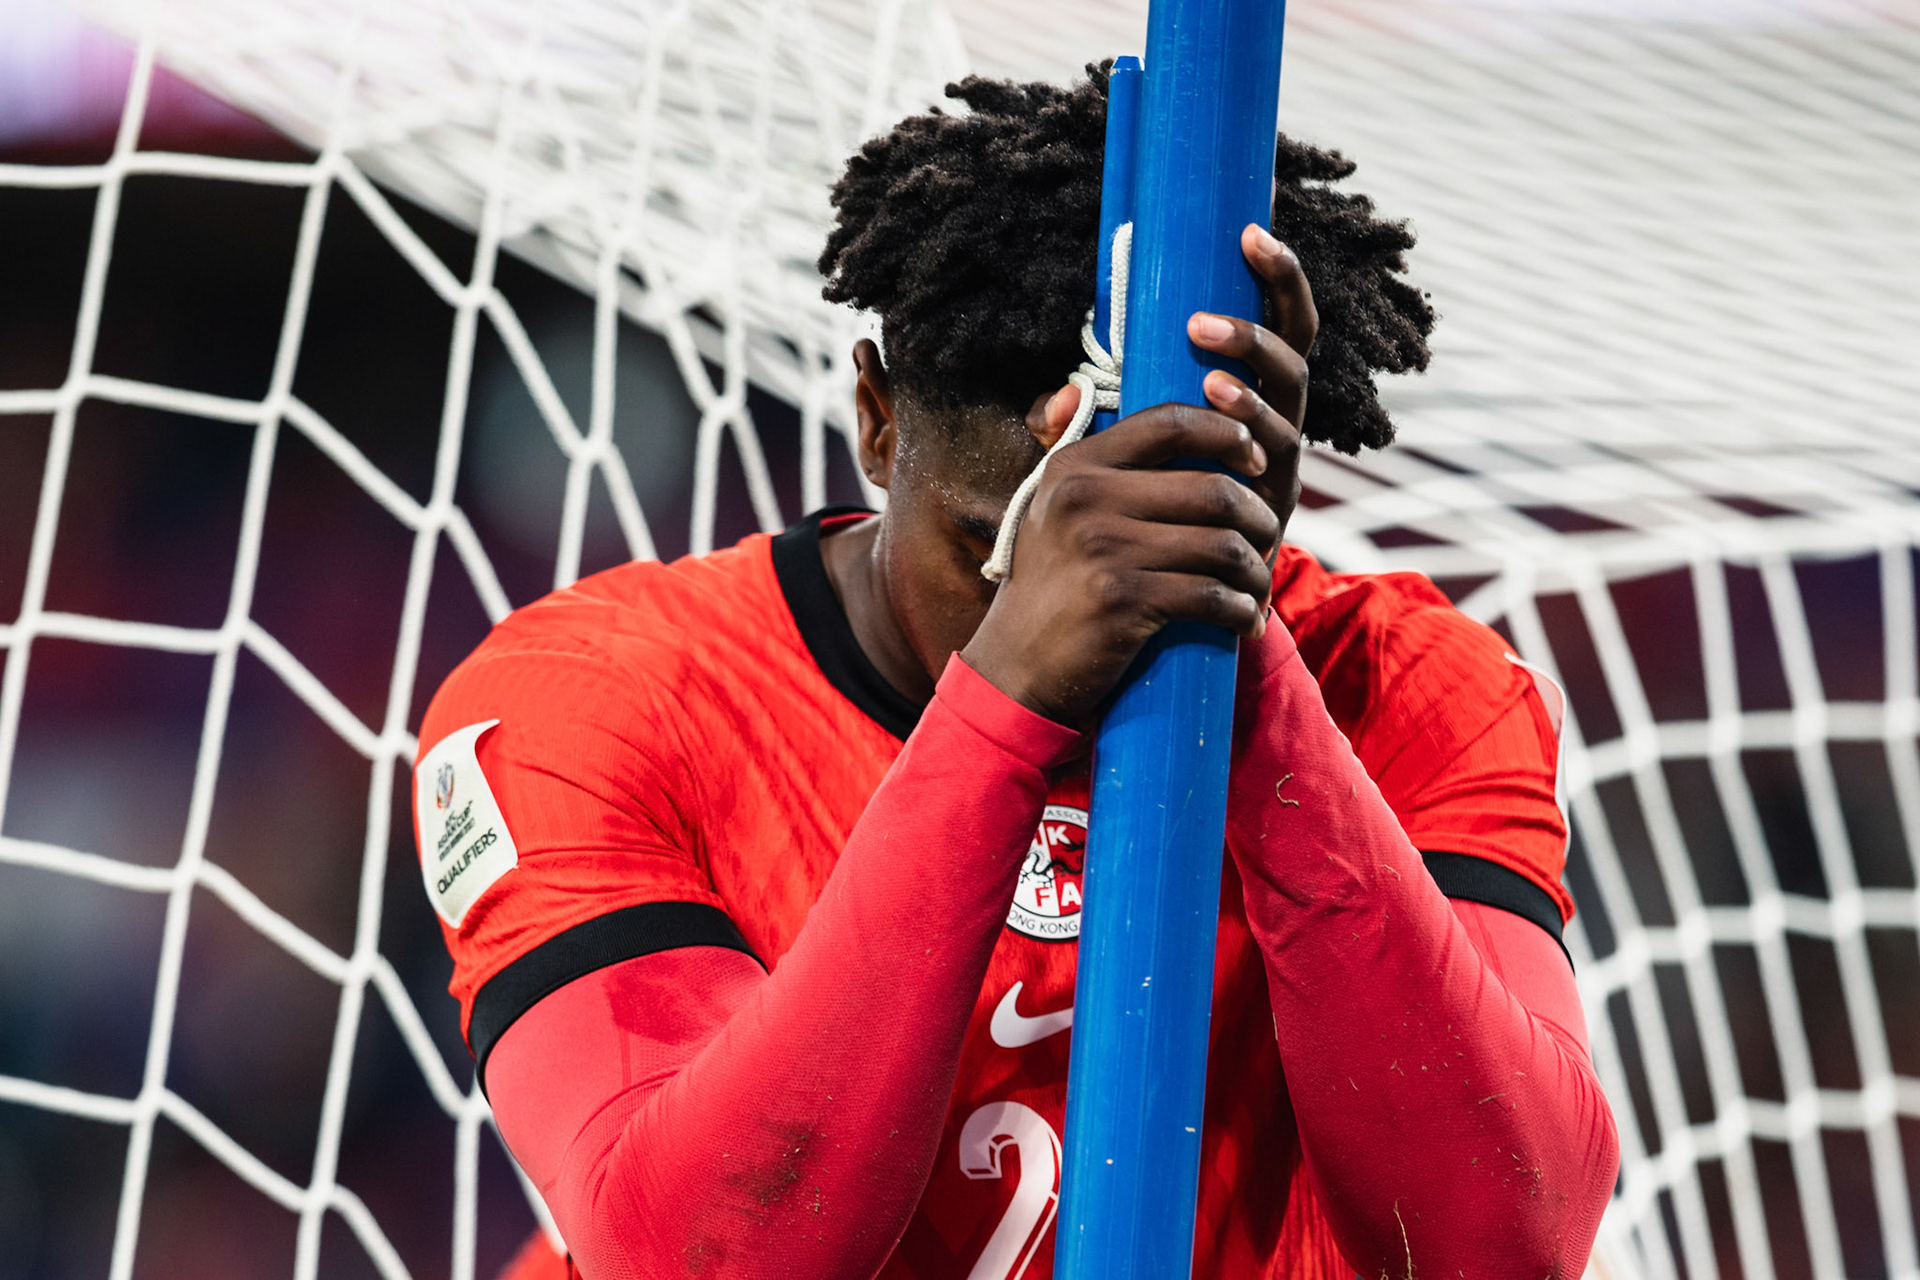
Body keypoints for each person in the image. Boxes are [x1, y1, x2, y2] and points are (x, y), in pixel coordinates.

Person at [412, 66, 1618, 1280]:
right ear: (878, 419)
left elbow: (1500, 1245)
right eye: (997, 555)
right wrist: (1006, 705)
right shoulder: (589, 701)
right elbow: (701, 1257)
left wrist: (1233, 661)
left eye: (1129, 553)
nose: (1083, 608)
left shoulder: (1408, 688)